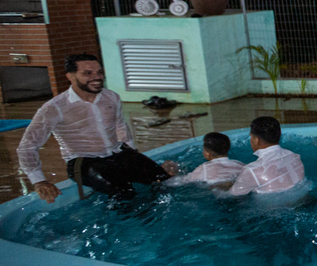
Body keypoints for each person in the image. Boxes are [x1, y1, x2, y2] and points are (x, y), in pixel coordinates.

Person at [18, 53, 172, 201]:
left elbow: (120, 127)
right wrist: (39, 182)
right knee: (124, 193)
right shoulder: (54, 108)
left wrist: (134, 156)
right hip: (83, 162)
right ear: (70, 76)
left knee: (165, 181)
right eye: (87, 73)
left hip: (117, 154)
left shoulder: (111, 97)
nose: (97, 77)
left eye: (99, 72)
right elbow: (28, 146)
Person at [228, 116, 305, 196]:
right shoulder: (295, 157)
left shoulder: (252, 171)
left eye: (251, 136)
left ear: (257, 140)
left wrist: (219, 188)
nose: (250, 140)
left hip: (273, 207)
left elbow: (230, 196)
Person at [164, 132, 244, 188]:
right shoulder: (240, 165)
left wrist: (172, 173)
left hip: (219, 195)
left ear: (207, 153)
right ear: (228, 149)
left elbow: (176, 182)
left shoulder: (204, 169)